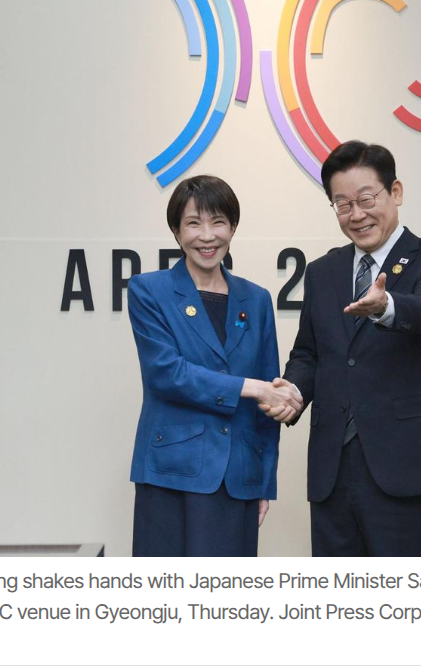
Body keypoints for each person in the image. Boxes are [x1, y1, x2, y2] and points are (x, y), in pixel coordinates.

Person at [268, 141, 421, 556]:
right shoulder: (323, 271)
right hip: (332, 463)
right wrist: (292, 391)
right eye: (342, 204)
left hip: (404, 462)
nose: (356, 215)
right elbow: (310, 352)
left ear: (395, 192)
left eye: (366, 199)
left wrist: (387, 306)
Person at [128, 174, 298, 556]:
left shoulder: (256, 299)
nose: (207, 236)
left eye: (218, 222)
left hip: (238, 476)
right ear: (176, 231)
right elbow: (166, 375)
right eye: (193, 223)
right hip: (172, 472)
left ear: (233, 227)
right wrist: (250, 387)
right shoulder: (148, 290)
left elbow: (268, 406)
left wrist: (263, 482)